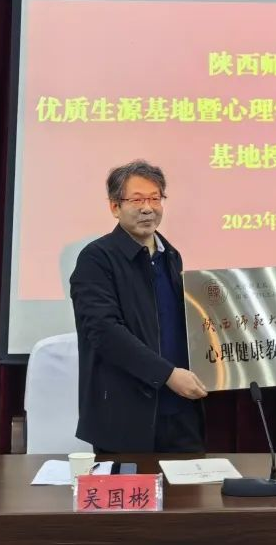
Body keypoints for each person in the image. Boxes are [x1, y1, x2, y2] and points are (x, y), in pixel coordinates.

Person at [70, 160, 207, 453]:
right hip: (125, 417)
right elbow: (104, 331)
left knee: (188, 484)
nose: (148, 208)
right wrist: (167, 375)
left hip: (181, 411)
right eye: (137, 200)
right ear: (115, 207)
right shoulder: (96, 258)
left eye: (155, 198)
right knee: (128, 485)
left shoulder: (171, 255)